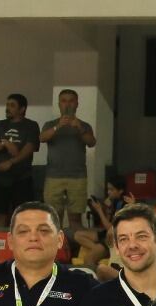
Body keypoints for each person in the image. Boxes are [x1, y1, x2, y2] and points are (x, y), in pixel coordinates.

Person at [39, 89, 97, 229]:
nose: (67, 104)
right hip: (53, 177)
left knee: (75, 219)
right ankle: (57, 250)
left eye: (71, 101)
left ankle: (76, 250)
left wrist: (80, 128)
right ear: (59, 104)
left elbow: (92, 142)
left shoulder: (84, 125)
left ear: (77, 104)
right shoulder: (50, 124)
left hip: (77, 177)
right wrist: (58, 126)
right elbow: (41, 138)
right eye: (64, 101)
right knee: (53, 219)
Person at [0, 93, 40, 228]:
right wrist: (5, 144)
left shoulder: (31, 125)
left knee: (23, 217)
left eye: (12, 105)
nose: (8, 108)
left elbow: (29, 149)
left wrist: (11, 162)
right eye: (7, 105)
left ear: (22, 109)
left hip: (22, 178)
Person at [73, 176, 131, 268]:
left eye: (112, 190)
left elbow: (110, 227)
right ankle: (97, 249)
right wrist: (107, 209)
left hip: (113, 238)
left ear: (120, 191)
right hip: (105, 234)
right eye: (108, 189)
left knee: (88, 259)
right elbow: (107, 225)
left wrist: (99, 210)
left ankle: (100, 254)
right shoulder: (114, 202)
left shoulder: (124, 204)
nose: (108, 192)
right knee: (78, 235)